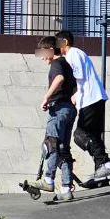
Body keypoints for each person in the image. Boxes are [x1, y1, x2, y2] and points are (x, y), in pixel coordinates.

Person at [54, 30, 110, 182]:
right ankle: (101, 174)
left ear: (65, 42)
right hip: (92, 98)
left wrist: (71, 94)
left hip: (90, 98)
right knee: (93, 135)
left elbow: (78, 75)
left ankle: (105, 162)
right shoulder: (76, 53)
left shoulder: (73, 54)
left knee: (80, 135)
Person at [29, 36, 77, 202]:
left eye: (42, 52)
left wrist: (46, 97)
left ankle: (48, 179)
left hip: (58, 109)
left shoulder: (57, 64)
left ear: (50, 50)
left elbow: (59, 79)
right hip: (69, 110)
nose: (41, 57)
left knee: (51, 144)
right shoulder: (67, 64)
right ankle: (66, 188)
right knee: (63, 148)